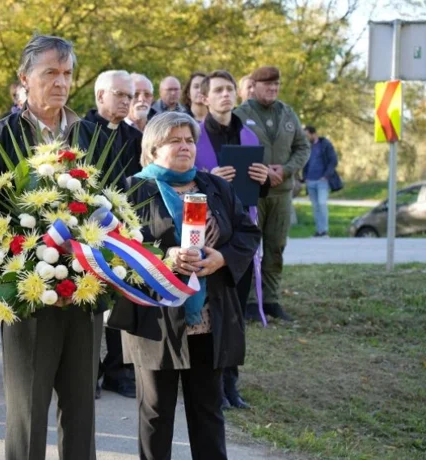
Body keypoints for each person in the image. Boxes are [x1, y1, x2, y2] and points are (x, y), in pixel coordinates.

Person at [0, 34, 117, 460]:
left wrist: (100, 266)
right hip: (28, 296)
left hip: (85, 293)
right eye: (50, 72)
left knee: (81, 411)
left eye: (67, 73)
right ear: (24, 78)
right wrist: (18, 272)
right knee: (28, 414)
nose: (60, 82)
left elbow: (113, 207)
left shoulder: (90, 136)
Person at [117, 111, 260, 460]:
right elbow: (118, 248)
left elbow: (247, 232)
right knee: (156, 412)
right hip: (155, 318)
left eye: (189, 140)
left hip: (210, 318)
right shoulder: (131, 191)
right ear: (153, 149)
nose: (185, 146)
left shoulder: (216, 187)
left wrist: (222, 258)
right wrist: (166, 257)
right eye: (175, 140)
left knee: (208, 410)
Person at [196, 70, 271, 410]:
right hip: (208, 232)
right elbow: (184, 179)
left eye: (229, 89)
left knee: (236, 313)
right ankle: (211, 384)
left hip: (240, 235)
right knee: (213, 312)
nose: (226, 95)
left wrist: (264, 178)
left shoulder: (249, 135)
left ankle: (231, 383)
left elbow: (258, 189)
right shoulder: (194, 135)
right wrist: (208, 177)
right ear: (205, 97)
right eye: (218, 90)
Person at [235, 66, 310, 322]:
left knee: (276, 246)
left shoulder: (287, 113)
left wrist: (286, 170)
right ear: (254, 86)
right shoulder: (240, 114)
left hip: (282, 192)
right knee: (250, 247)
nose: (273, 89)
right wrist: (262, 171)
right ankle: (249, 300)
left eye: (276, 85)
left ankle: (271, 300)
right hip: (253, 193)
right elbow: (234, 151)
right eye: (268, 85)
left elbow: (302, 147)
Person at [83, 69, 141, 398]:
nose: (125, 101)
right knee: (90, 301)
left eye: (129, 96)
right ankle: (87, 371)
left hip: (127, 229)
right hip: (89, 229)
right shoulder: (81, 131)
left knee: (123, 301)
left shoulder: (134, 137)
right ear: (100, 95)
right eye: (119, 94)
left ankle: (119, 370)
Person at [302, 125, 339, 237]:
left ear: (313, 134)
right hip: (310, 181)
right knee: (315, 206)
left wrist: (326, 176)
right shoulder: (307, 147)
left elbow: (333, 160)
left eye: (307, 135)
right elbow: (304, 162)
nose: (306, 138)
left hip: (322, 180)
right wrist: (305, 177)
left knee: (322, 204)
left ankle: (324, 231)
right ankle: (319, 231)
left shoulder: (325, 144)